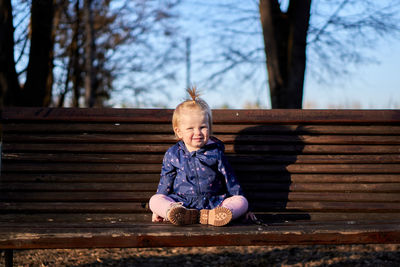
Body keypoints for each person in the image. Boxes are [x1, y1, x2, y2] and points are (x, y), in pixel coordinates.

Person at [149, 87, 249, 226]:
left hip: (215, 203)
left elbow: (230, 179)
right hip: (182, 203)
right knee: (154, 200)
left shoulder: (216, 152)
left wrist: (241, 205)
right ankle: (174, 212)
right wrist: (160, 209)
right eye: (190, 128)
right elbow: (165, 183)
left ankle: (219, 215)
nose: (198, 132)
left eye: (202, 127)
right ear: (179, 132)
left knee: (242, 202)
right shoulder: (173, 154)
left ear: (209, 127)